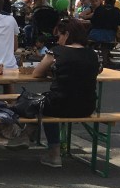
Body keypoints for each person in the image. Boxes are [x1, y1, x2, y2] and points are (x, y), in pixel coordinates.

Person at [9, 18, 98, 169]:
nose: (58, 40)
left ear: (67, 34)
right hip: (87, 106)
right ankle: (27, 135)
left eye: (60, 36)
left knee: (39, 103)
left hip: (60, 105)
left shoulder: (56, 52)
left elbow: (37, 73)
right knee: (46, 102)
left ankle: (51, 151)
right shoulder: (92, 53)